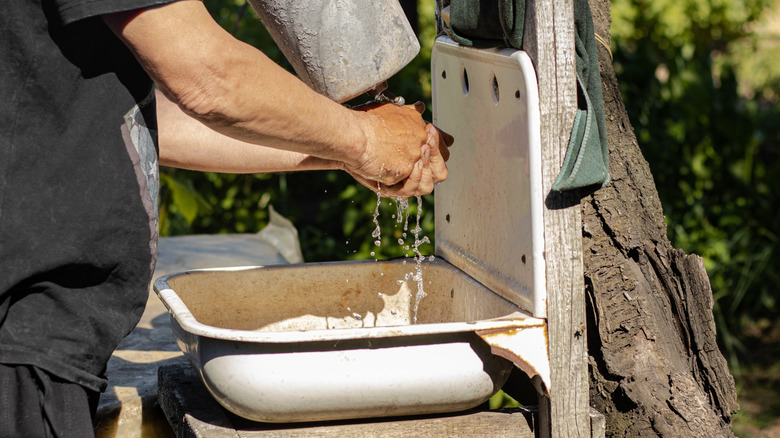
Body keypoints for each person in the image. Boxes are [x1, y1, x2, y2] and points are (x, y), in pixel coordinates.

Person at [0, 0, 451, 435]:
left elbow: (151, 122)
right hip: (21, 338)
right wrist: (365, 140)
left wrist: (344, 153)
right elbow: (207, 76)